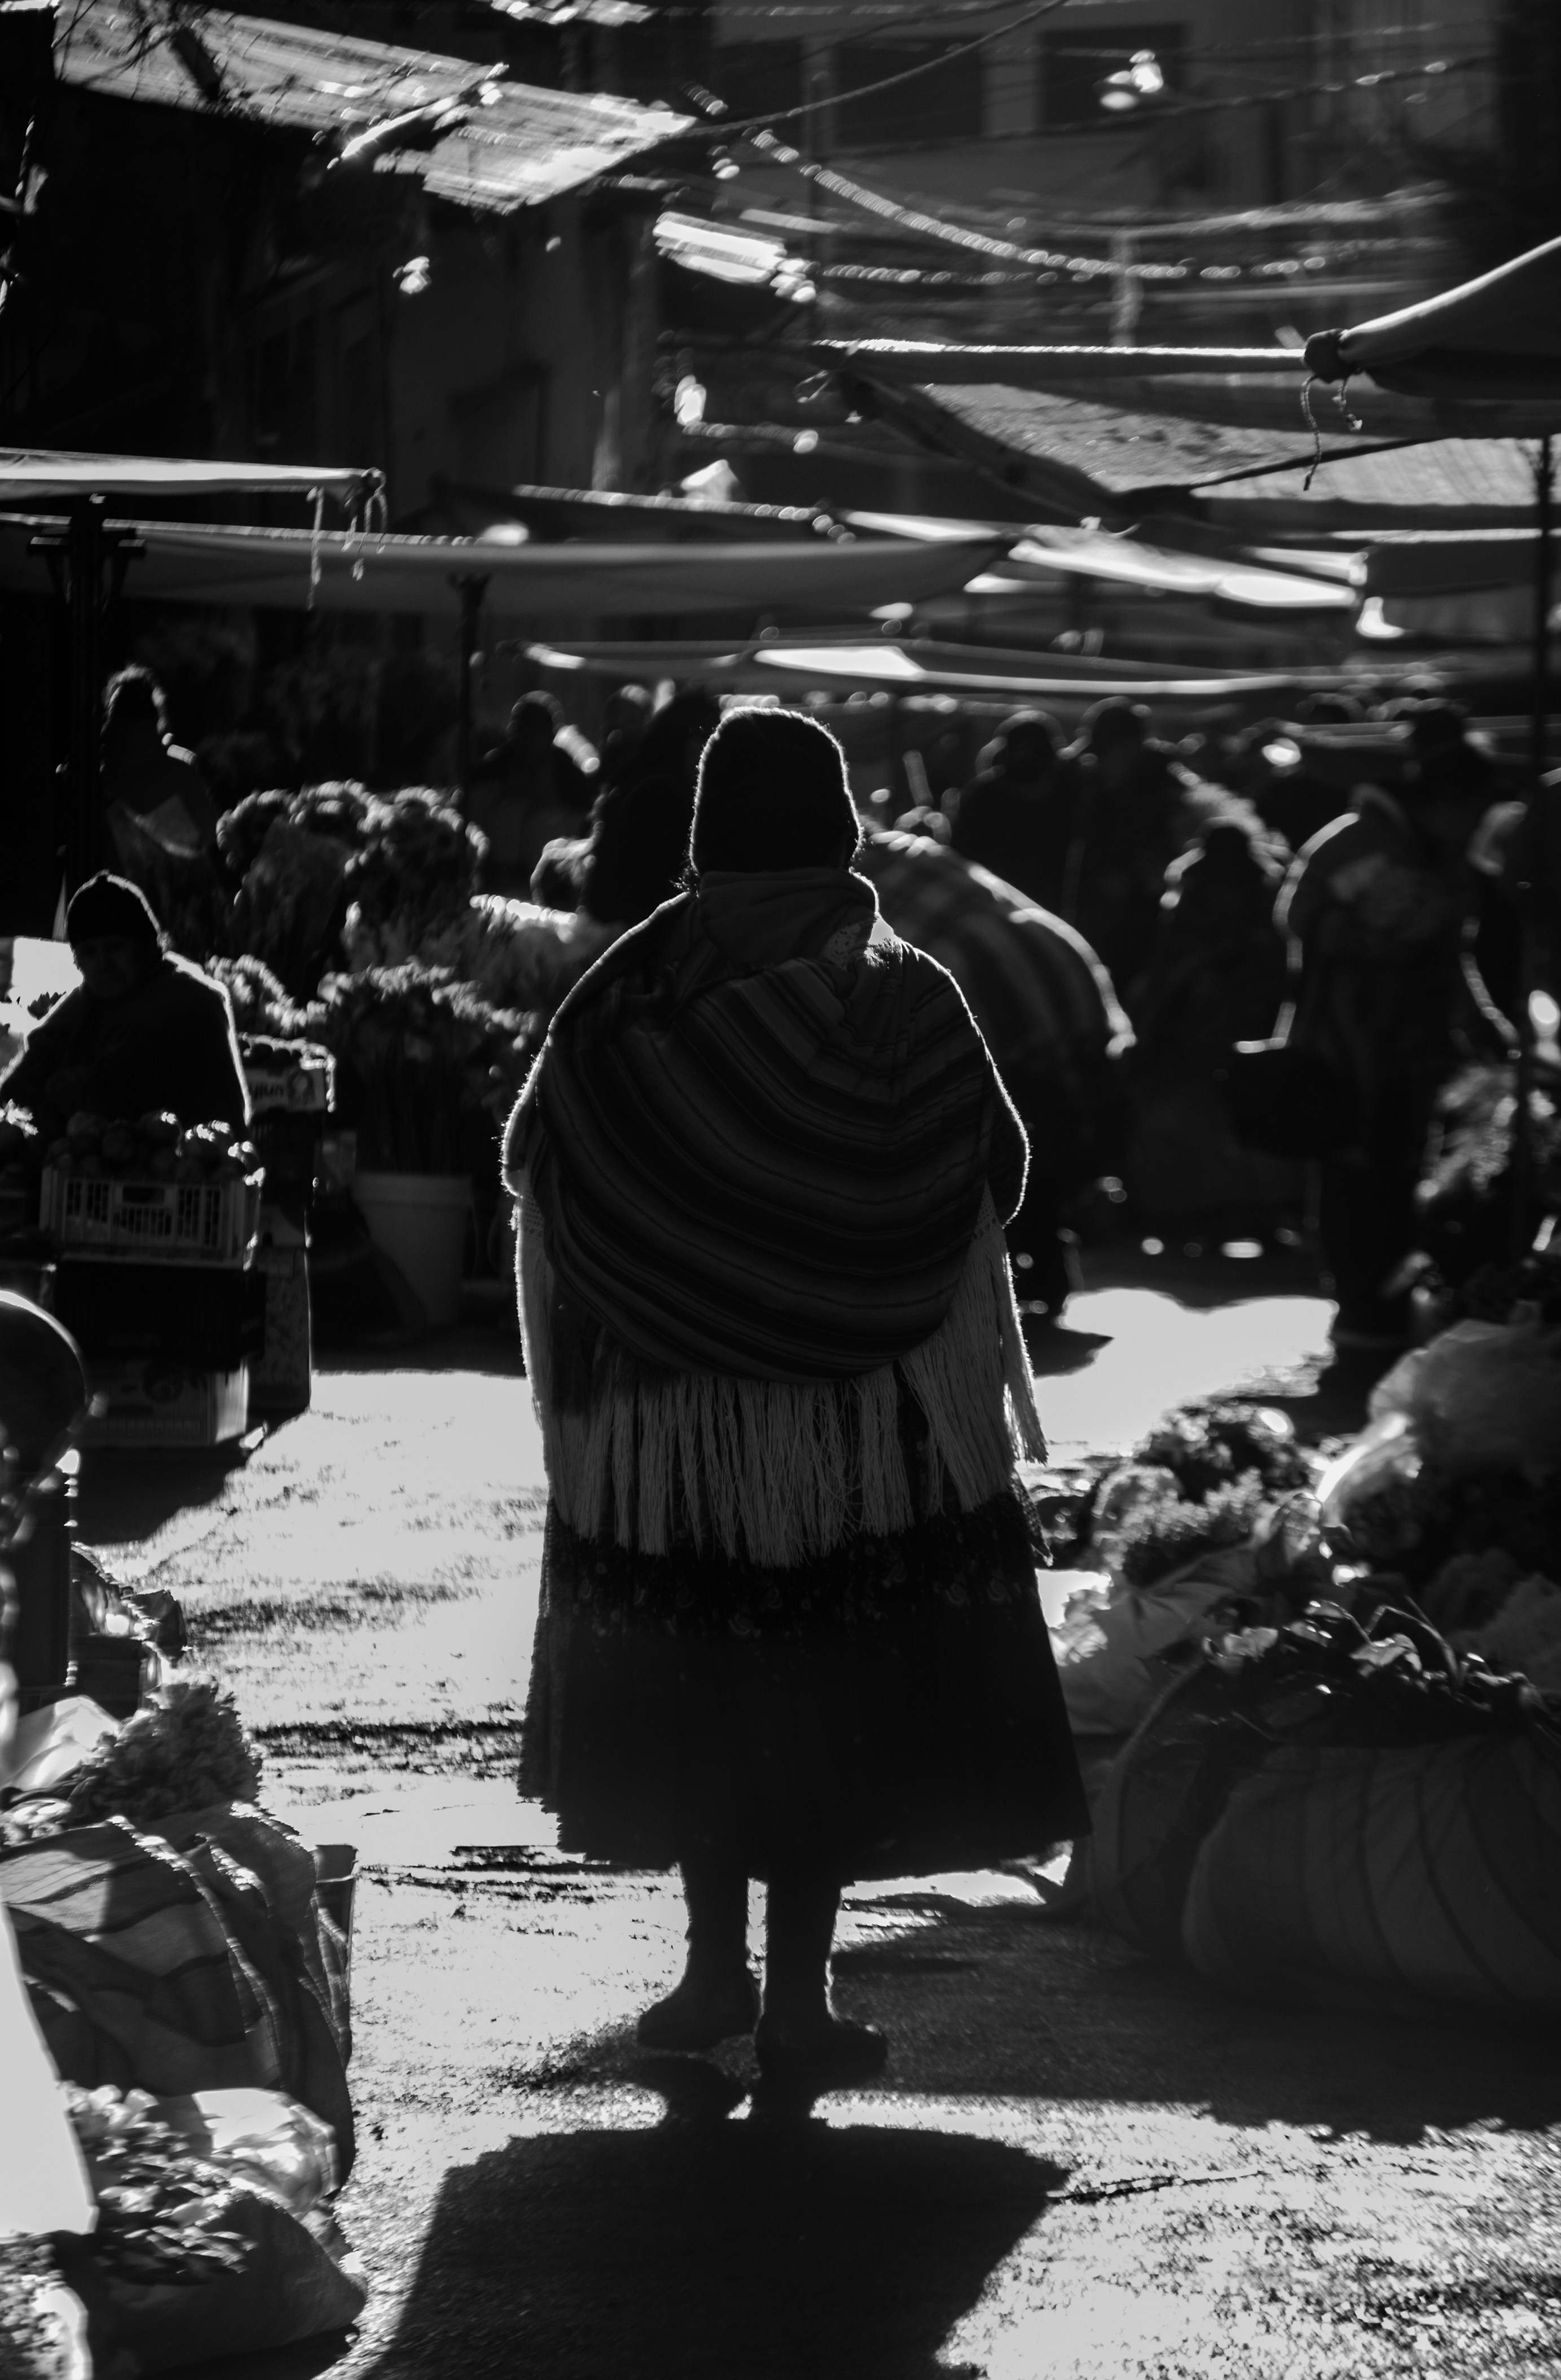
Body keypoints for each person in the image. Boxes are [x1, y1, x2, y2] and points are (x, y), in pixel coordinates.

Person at [504, 706, 1087, 2096]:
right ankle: (800, 1998)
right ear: (840, 828)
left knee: (709, 1675)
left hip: (669, 1430)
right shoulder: (901, 991)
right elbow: (996, 1172)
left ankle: (713, 1971)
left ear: (705, 833)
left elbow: (535, 1156)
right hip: (852, 1434)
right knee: (827, 1686)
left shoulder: (630, 982)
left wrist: (680, 1242)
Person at [1278, 734, 1508, 1348]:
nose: (1475, 825)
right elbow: (1301, 919)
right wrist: (1386, 932)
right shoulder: (1361, 841)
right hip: (1347, 1047)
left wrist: (1484, 1020)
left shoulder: (1441, 856)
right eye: (1473, 809)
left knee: (1404, 1174)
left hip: (1414, 1053)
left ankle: (1386, 1299)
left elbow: (1452, 952)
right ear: (1446, 798)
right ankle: (1358, 1306)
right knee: (1356, 1174)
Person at [1125, 816, 1298, 1244]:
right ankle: (1213, 1210)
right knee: (1213, 1115)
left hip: (1231, 1024)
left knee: (1228, 1115)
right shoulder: (1214, 896)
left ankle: (1227, 1211)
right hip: (1203, 1025)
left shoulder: (1246, 901)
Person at [0, 874, 249, 1135]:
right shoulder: (98, 993)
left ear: (148, 946)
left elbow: (99, 1100)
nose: (103, 964)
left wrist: (53, 1085)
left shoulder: (183, 1000)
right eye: (89, 953)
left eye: (115, 947)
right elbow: (18, 1086)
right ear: (77, 960)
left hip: (191, 1164)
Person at [1053, 698, 1187, 981]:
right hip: (1105, 947)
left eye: (1105, 752)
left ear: (1132, 748)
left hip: (1151, 955)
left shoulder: (1171, 801)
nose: (1096, 762)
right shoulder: (1101, 797)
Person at [470, 694, 594, 898]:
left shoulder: (563, 769)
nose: (524, 737)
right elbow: (470, 791)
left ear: (549, 734)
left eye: (532, 730)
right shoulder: (498, 762)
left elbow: (589, 813)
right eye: (519, 728)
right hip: (496, 877)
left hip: (545, 878)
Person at [949, 709, 1068, 907]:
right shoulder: (983, 798)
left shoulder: (1068, 796)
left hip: (1044, 907)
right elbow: (962, 861)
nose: (1031, 793)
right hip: (994, 904)